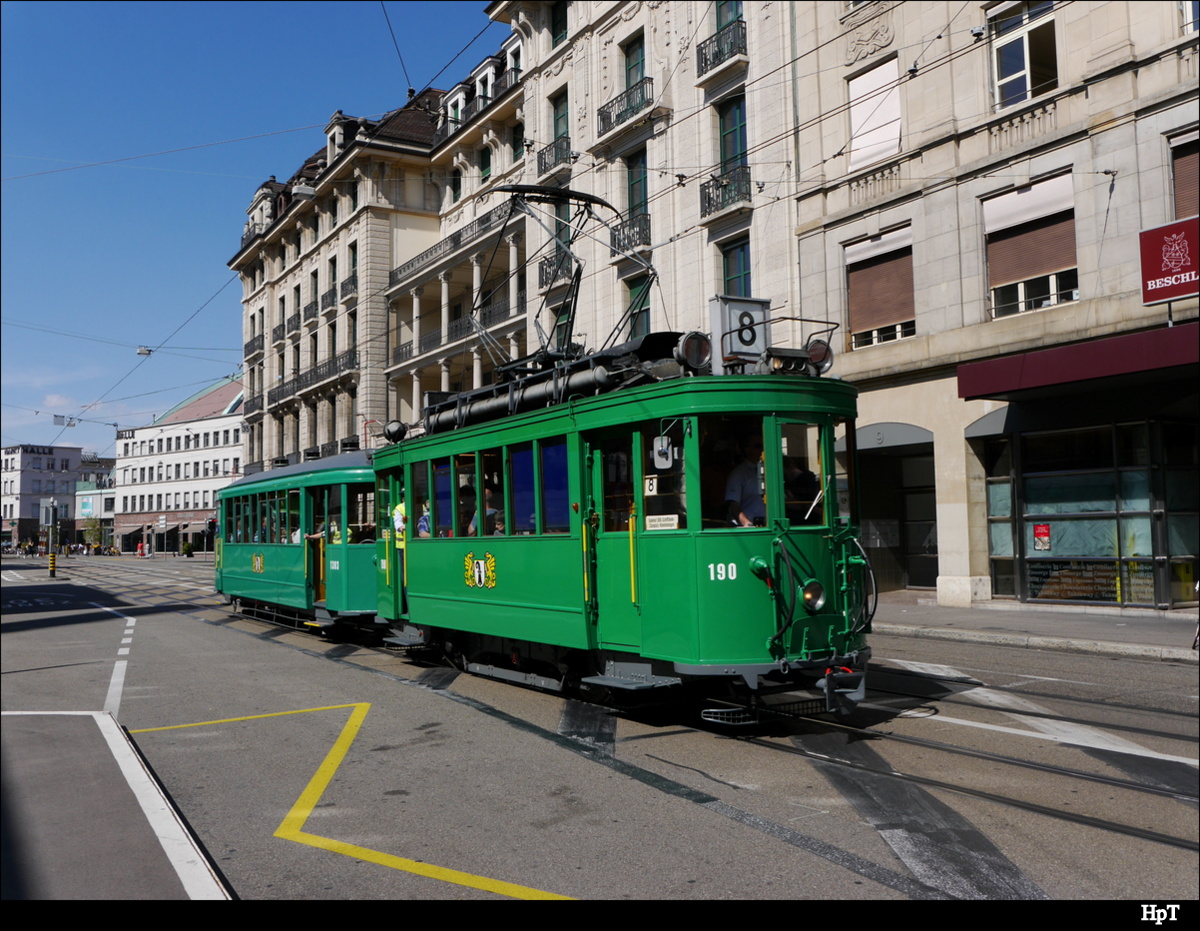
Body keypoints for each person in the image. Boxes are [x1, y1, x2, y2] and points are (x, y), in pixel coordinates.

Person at [725, 436, 766, 527]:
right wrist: (747, 524)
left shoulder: (771, 472)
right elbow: (733, 504)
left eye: (765, 446)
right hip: (749, 527)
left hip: (771, 526)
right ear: (747, 450)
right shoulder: (738, 473)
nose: (763, 450)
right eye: (758, 446)